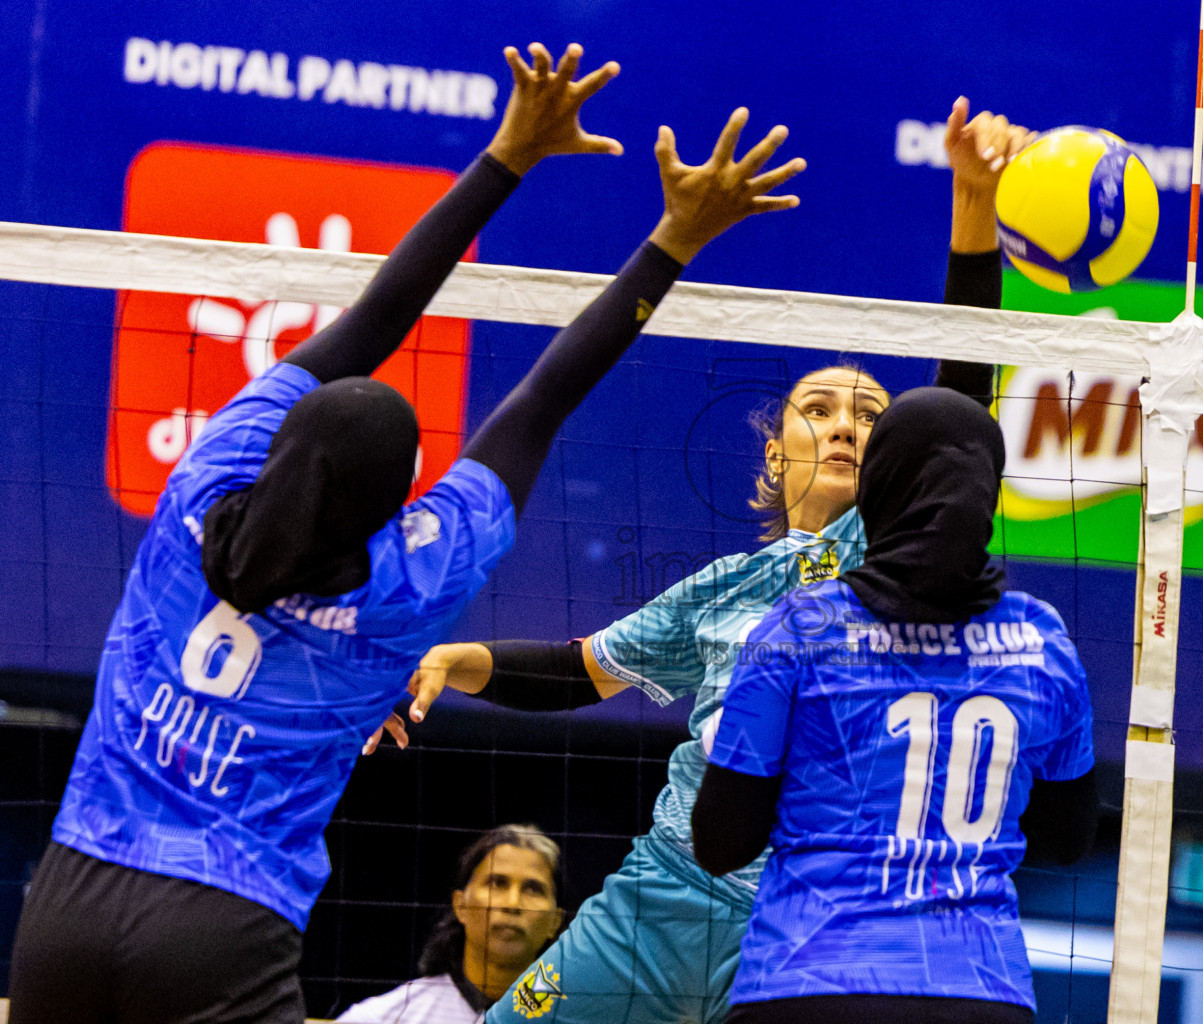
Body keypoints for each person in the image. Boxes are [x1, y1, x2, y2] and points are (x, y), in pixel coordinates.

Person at [6, 38, 805, 1024]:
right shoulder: (403, 589)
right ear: (393, 503)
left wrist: (503, 153)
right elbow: (543, 399)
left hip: (72, 894)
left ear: (284, 444)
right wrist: (672, 239)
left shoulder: (198, 490)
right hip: (222, 922)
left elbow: (377, 314)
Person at [376, 100, 1039, 1024]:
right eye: (819, 410)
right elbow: (580, 671)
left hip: (803, 919)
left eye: (870, 416)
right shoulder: (722, 589)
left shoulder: (898, 556)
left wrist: (974, 202)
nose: (847, 424)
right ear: (774, 455)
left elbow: (963, 390)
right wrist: (455, 662)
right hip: (662, 896)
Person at [691, 386, 1099, 1024]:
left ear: (879, 486)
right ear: (986, 489)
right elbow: (1067, 841)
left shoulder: (799, 629)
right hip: (981, 993)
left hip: (807, 985)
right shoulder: (1042, 641)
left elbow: (721, 843)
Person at [337, 825, 564, 1024]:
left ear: (556, 921)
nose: (513, 904)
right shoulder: (386, 1017)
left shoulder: (581, 1015)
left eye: (533, 889)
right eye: (496, 883)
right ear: (460, 906)